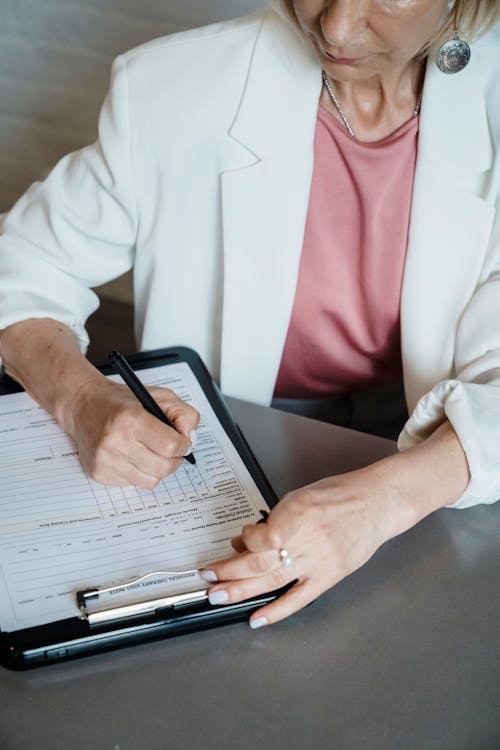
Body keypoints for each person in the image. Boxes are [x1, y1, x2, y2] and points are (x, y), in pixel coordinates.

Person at [0, 0, 499, 629]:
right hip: (229, 443)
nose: (334, 26)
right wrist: (80, 401)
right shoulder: (172, 89)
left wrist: (383, 500)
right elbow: (22, 265)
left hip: (440, 454)